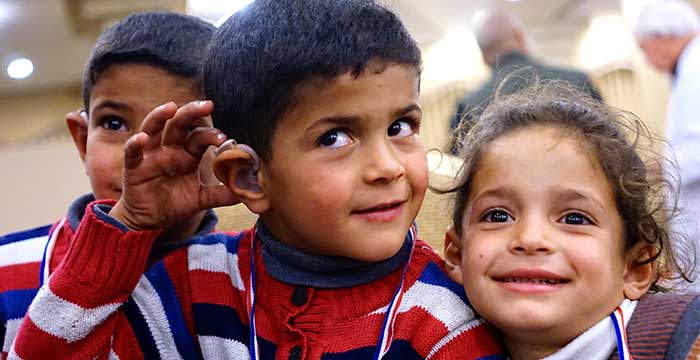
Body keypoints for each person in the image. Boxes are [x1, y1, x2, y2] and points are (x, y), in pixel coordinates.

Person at [9, 1, 503, 359]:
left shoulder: (443, 316)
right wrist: (130, 220)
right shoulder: (190, 283)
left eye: (401, 127)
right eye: (335, 137)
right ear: (248, 175)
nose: (388, 167)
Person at [0, 11, 219, 358]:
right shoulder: (6, 268)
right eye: (114, 123)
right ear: (82, 140)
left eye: (184, 129)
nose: (144, 154)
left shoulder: (244, 273)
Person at [442, 81, 699, 359]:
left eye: (575, 218)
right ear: (457, 254)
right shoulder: (433, 344)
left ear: (634, 268)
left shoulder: (686, 339)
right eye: (498, 215)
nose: (530, 239)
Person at [450, 9, 602, 139]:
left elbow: (458, 167)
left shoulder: (468, 106)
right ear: (520, 37)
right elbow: (613, 146)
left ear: (483, 57)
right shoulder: (578, 80)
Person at [634, 0, 700, 293]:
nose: (647, 60)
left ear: (660, 37)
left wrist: (665, 167)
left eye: (644, 49)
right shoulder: (687, 68)